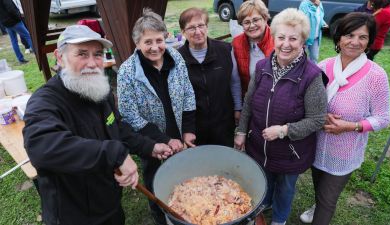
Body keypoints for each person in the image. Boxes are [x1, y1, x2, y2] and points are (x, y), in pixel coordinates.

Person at [23, 25, 174, 225]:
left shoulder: (99, 91)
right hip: (74, 215)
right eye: (82, 54)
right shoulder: (45, 101)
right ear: (59, 57)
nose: (93, 63)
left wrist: (150, 146)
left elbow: (117, 128)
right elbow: (41, 147)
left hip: (109, 204)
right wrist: (115, 154)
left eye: (98, 54)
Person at [234, 8, 328, 225]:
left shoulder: (312, 76)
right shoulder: (262, 66)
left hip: (290, 152)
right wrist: (241, 131)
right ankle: (262, 204)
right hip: (259, 144)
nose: (286, 44)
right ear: (273, 37)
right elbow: (249, 101)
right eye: (281, 37)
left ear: (303, 41)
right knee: (262, 180)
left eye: (293, 38)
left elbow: (317, 119)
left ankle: (279, 220)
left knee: (285, 188)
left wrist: (284, 130)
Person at [299, 12, 390, 225]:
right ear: (339, 38)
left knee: (328, 200)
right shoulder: (323, 67)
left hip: (344, 153)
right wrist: (319, 116)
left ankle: (320, 210)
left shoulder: (376, 76)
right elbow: (306, 102)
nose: (355, 42)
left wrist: (352, 126)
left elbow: (383, 118)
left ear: (369, 42)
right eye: (349, 35)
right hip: (316, 145)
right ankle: (317, 203)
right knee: (319, 188)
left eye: (363, 37)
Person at [117, 9, 196, 225]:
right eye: (147, 42)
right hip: (151, 139)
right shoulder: (127, 72)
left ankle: (186, 208)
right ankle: (160, 214)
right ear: (137, 43)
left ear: (166, 37)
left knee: (182, 172)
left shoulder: (176, 58)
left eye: (159, 40)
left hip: (179, 133)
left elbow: (188, 93)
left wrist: (188, 130)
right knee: (155, 177)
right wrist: (163, 140)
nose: (154, 47)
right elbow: (130, 115)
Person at [177, 7, 242, 145]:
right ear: (183, 32)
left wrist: (237, 108)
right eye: (191, 28)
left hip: (224, 121)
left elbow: (234, 82)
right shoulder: (177, 59)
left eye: (201, 25)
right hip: (195, 126)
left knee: (224, 160)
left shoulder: (225, 50)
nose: (198, 31)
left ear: (206, 26)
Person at [232, 0, 274, 97]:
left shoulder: (278, 40)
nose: (252, 25)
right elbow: (235, 81)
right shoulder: (236, 44)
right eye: (246, 22)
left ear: (265, 19)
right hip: (247, 100)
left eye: (255, 20)